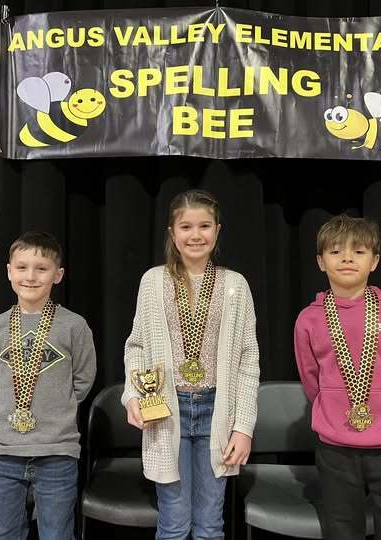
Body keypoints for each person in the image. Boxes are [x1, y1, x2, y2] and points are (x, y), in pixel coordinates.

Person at [122, 189, 260, 540]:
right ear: (172, 232)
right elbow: (136, 345)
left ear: (217, 231)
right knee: (173, 521)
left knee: (211, 524)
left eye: (204, 226)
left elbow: (248, 359)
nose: (195, 235)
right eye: (186, 226)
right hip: (167, 410)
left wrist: (243, 426)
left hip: (219, 411)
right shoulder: (153, 282)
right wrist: (133, 396)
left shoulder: (235, 285)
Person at [294, 214, 381, 540]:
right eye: (336, 251)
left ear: (375, 261)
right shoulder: (309, 320)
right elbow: (312, 381)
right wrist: (332, 412)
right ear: (320, 262)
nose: (346, 258)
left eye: (359, 251)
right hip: (336, 451)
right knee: (341, 530)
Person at [0, 231, 96, 540]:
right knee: (1, 534)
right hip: (3, 451)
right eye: (22, 267)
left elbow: (83, 380)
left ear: (57, 275)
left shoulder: (74, 326)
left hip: (56, 451)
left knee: (57, 534)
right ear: (8, 271)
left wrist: (58, 406)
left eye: (41, 268)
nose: (30, 276)